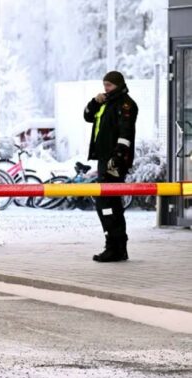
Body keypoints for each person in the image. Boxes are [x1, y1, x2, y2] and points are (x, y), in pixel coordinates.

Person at [83, 71, 138, 263]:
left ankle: (115, 246)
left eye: (109, 85)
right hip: (104, 159)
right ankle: (116, 246)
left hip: (114, 161)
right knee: (109, 203)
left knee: (107, 203)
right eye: (104, 84)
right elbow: (88, 117)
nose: (105, 88)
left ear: (118, 84)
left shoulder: (125, 104)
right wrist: (95, 102)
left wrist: (117, 159)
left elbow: (126, 132)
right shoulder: (105, 103)